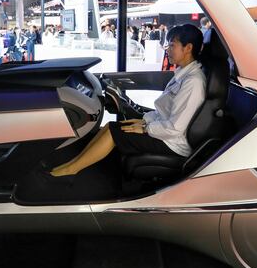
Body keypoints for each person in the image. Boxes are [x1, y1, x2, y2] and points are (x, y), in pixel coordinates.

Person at [50, 24, 206, 177]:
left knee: (114, 132)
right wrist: (145, 122)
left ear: (188, 48)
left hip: (173, 143)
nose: (168, 49)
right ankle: (72, 163)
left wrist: (146, 128)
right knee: (111, 126)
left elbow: (176, 128)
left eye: (172, 45)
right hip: (165, 132)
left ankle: (71, 170)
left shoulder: (193, 82)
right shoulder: (182, 75)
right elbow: (165, 113)